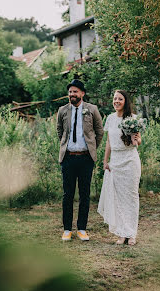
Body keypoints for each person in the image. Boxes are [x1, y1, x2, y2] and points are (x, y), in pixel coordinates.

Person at [57, 79, 104, 241]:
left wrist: (91, 148)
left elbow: (99, 131)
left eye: (75, 91)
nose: (72, 94)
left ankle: (82, 229)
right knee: (67, 194)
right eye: (70, 92)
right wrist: (66, 146)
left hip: (85, 159)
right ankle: (67, 229)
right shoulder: (62, 110)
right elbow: (60, 131)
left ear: (82, 93)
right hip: (68, 158)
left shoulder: (92, 109)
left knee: (85, 194)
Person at [97, 90, 142, 245]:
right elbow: (108, 142)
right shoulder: (110, 118)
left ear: (125, 101)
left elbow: (138, 141)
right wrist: (105, 161)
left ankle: (132, 234)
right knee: (118, 199)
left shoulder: (133, 119)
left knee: (131, 197)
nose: (116, 101)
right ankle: (122, 233)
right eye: (115, 99)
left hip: (129, 160)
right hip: (115, 160)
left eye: (120, 99)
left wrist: (135, 138)